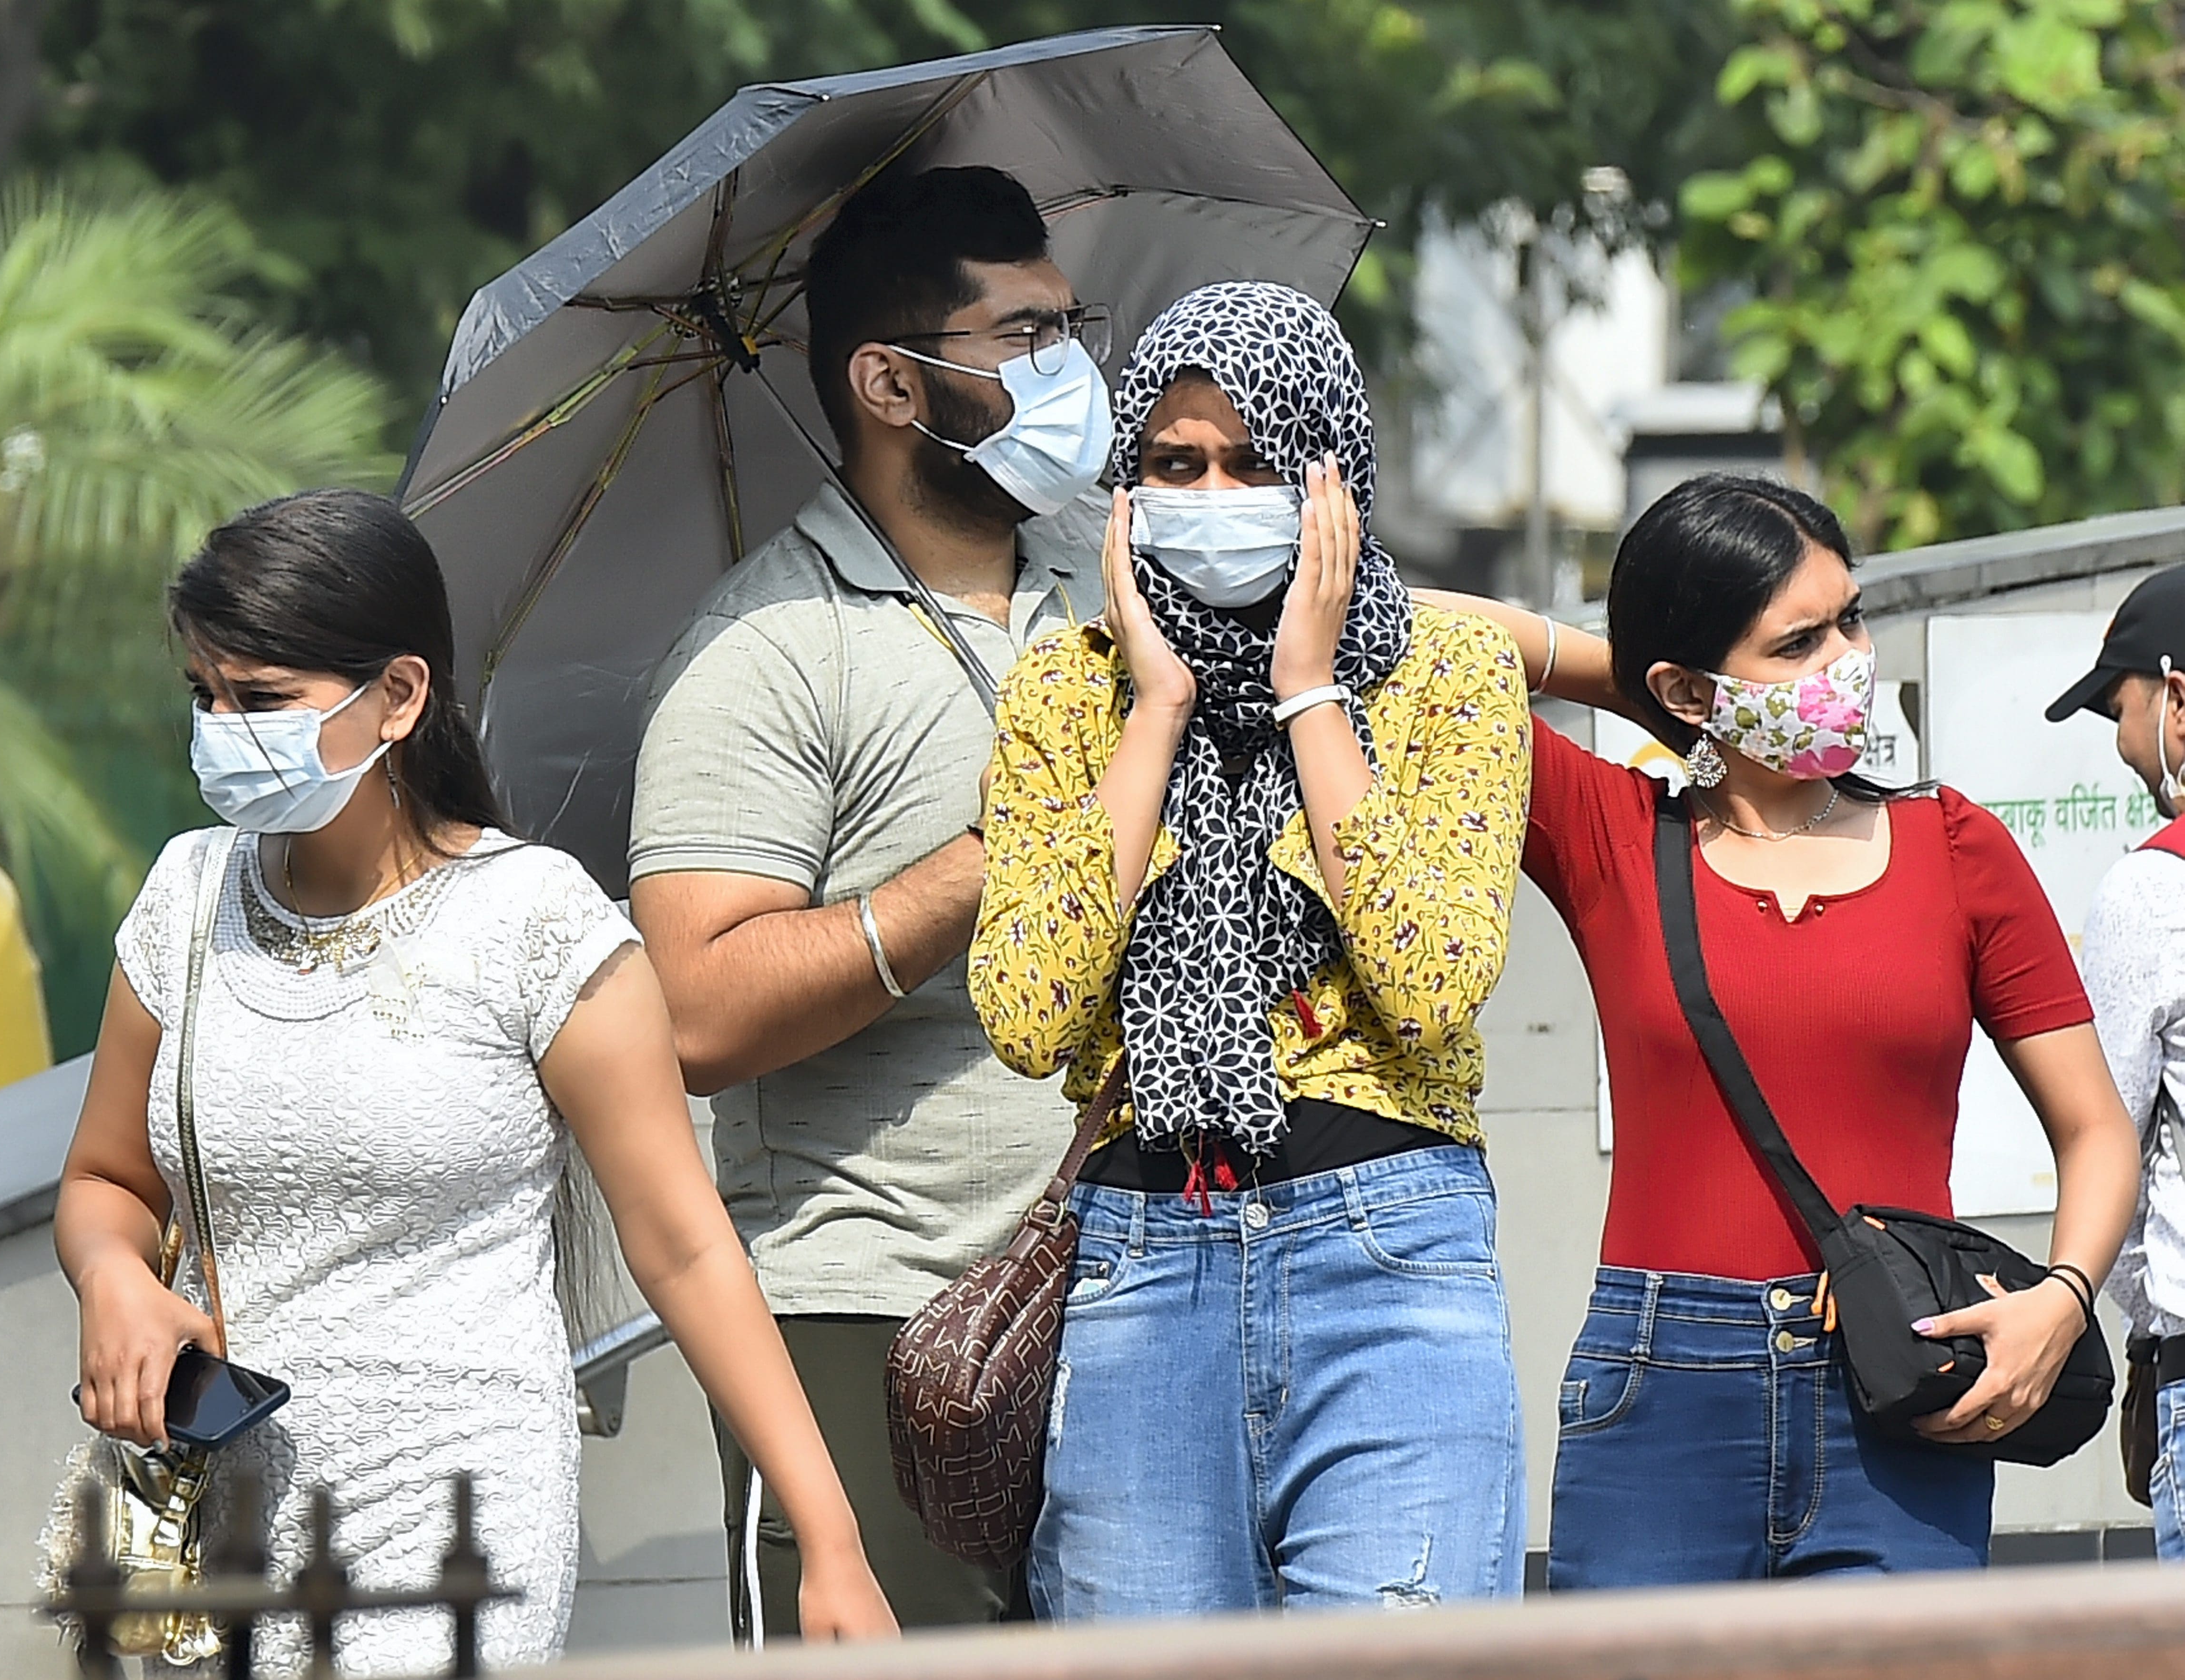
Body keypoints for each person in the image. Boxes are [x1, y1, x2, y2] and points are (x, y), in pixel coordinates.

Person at [56, 490, 895, 1675]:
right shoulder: (187, 902)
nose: (222, 731)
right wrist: (111, 1278)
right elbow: (105, 1179)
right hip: (210, 1506)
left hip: (452, 1509)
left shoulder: (533, 921)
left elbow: (687, 1247)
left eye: (262, 700)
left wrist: (827, 1530)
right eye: (205, 696)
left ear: (398, 696)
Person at [1421, 473, 2138, 1584]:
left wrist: (2064, 1296)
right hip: (1661, 1389)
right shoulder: (1609, 829)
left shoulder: (1956, 846)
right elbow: (1399, 630)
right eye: (1797, 642)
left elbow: (2097, 1130)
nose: (1846, 658)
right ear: (1692, 686)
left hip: (1899, 1387)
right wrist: (1649, 691)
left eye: (1850, 617)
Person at [970, 281, 1533, 1618]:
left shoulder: (1450, 668)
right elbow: (1026, 1010)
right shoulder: (1071, 684)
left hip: (1390, 1253)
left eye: (1255, 460)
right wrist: (1155, 709)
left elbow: (1434, 975)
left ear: (1332, 471)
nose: (1213, 493)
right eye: (1175, 463)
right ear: (1125, 488)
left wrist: (1308, 688)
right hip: (1144, 1254)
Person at [627, 164, 1108, 1632]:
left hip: (1137, 1285)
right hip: (875, 1309)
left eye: (1072, 328)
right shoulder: (764, 648)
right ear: (893, 382)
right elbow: (697, 1011)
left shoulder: (1111, 579)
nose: (1074, 374)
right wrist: (989, 863)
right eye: (1024, 339)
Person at [2050, 565, 2185, 1560]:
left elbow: (2110, 1134)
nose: (2122, 739)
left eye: (2120, 705)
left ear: (2177, 697)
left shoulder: (2154, 891)